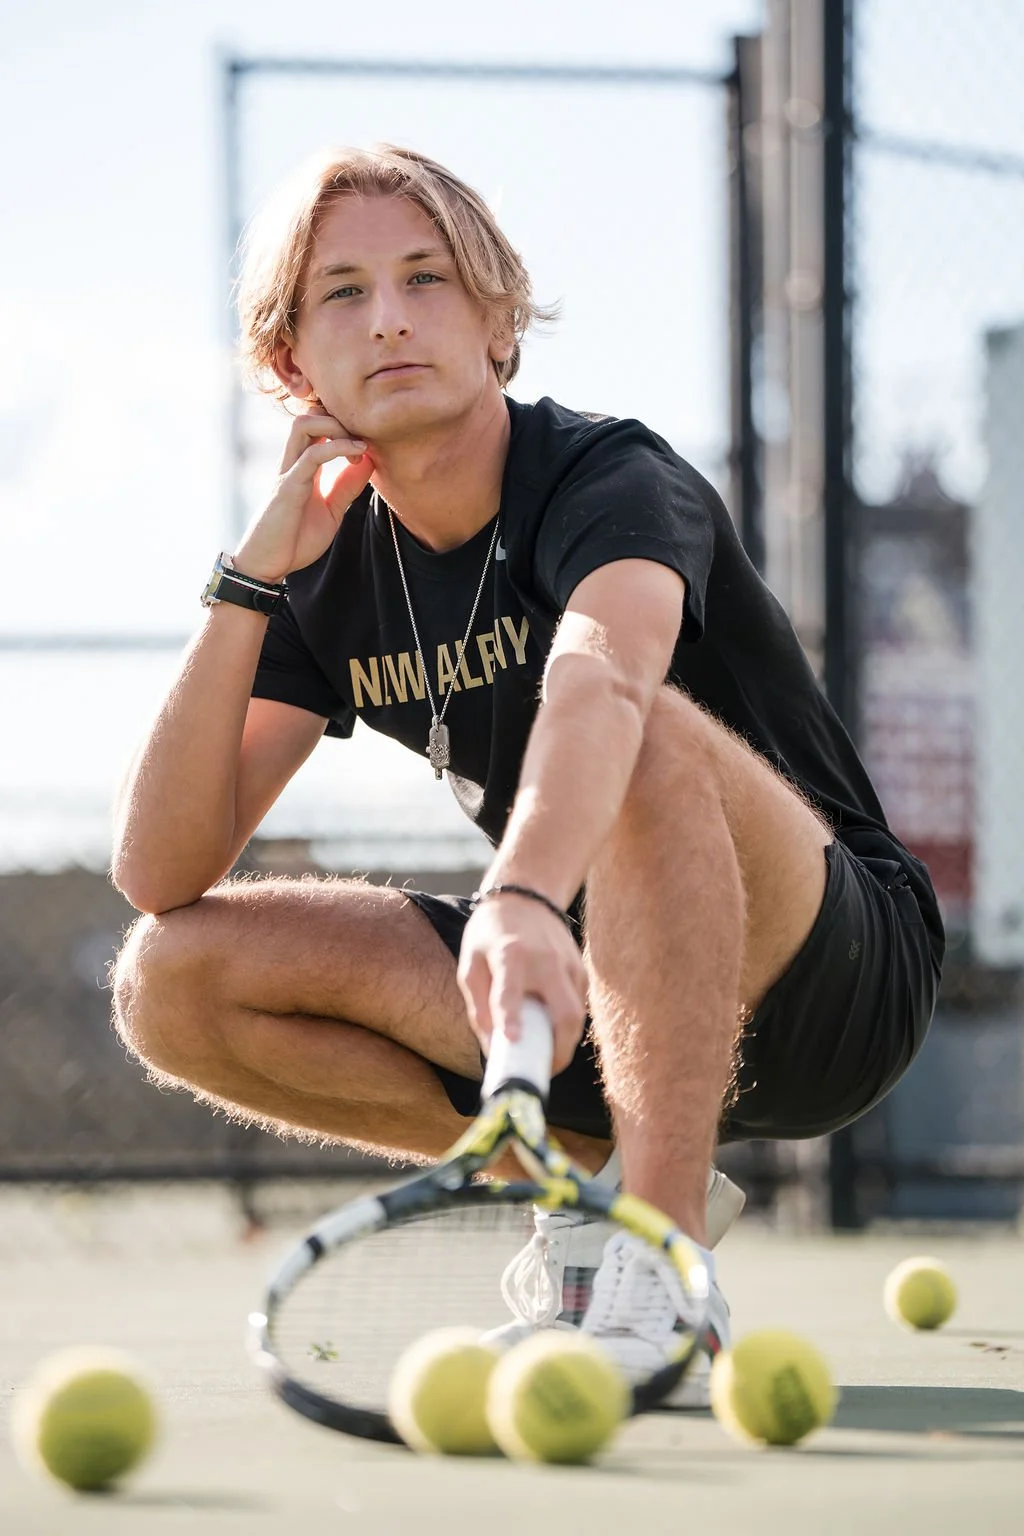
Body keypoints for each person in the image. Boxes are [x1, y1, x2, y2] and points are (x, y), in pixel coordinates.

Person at [110, 144, 944, 1406]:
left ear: (499, 323)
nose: (387, 315)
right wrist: (251, 575)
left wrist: (518, 901)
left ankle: (658, 1273)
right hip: (605, 995)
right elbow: (159, 869)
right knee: (170, 980)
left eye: (426, 277)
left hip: (829, 974)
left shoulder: (607, 474)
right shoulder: (325, 570)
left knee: (645, 732)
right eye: (340, 293)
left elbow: (606, 684)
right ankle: (579, 1200)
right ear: (290, 367)